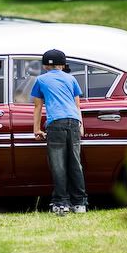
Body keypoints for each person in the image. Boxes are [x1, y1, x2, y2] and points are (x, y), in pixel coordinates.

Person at [31, 49, 88, 216]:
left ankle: (61, 203)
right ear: (63, 65)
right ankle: (80, 203)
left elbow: (37, 106)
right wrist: (81, 125)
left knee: (58, 165)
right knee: (75, 163)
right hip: (73, 122)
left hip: (55, 122)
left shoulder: (40, 80)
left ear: (44, 66)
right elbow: (77, 105)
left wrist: (36, 129)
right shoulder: (71, 79)